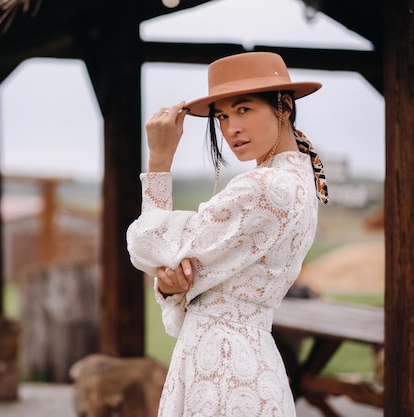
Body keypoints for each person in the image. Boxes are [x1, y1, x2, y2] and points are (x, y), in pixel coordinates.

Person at [126, 51, 328, 416]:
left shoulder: (266, 187)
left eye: (244, 110)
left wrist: (158, 162)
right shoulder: (297, 183)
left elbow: (147, 243)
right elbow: (191, 272)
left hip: (226, 371)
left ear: (284, 106)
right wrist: (173, 284)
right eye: (222, 116)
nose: (231, 127)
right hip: (238, 362)